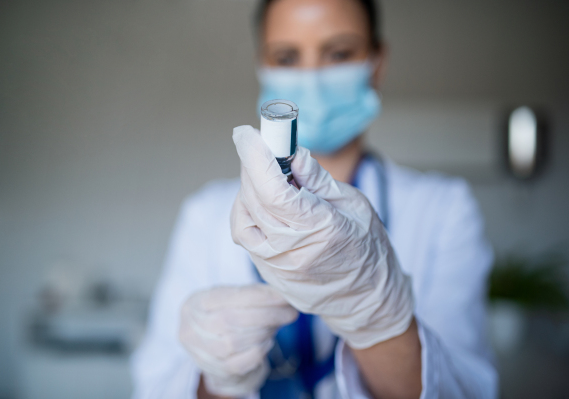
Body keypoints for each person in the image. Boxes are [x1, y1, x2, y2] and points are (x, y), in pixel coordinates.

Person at [131, 0, 498, 398]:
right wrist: (217, 380)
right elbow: (155, 387)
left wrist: (377, 315)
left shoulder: (442, 210)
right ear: (262, 66)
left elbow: (462, 391)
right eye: (287, 57)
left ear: (378, 62)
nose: (312, 78)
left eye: (339, 53)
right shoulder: (205, 216)